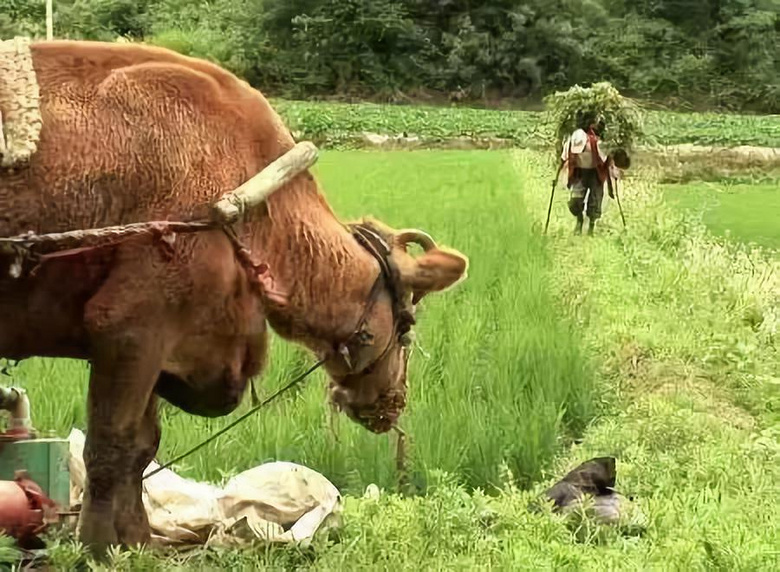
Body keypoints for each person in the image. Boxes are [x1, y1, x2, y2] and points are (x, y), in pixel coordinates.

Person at [560, 112, 611, 235]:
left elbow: (606, 159)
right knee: (575, 201)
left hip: (595, 172)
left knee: (595, 200)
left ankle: (591, 227)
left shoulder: (599, 141)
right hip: (579, 172)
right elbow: (564, 157)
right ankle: (579, 221)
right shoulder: (573, 140)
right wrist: (559, 174)